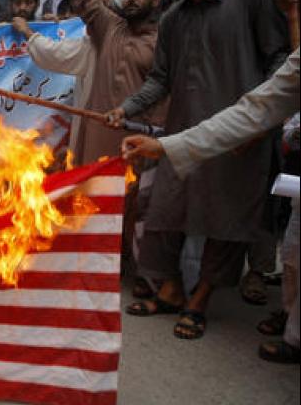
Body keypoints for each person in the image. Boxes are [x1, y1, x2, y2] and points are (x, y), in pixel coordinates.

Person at [104, 0, 289, 340]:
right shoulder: (173, 19)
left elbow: (282, 62)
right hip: (180, 136)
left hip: (239, 137)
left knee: (225, 219)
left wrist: (262, 123)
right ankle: (170, 291)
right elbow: (160, 80)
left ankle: (199, 300)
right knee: (161, 212)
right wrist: (126, 108)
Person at [121, 49, 299, 362]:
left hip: (239, 157)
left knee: (228, 218)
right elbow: (260, 107)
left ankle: (201, 300)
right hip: (199, 138)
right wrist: (167, 145)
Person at [14, 0, 165, 165]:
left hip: (139, 147)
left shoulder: (165, 41)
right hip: (96, 146)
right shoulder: (110, 29)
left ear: (156, 0)